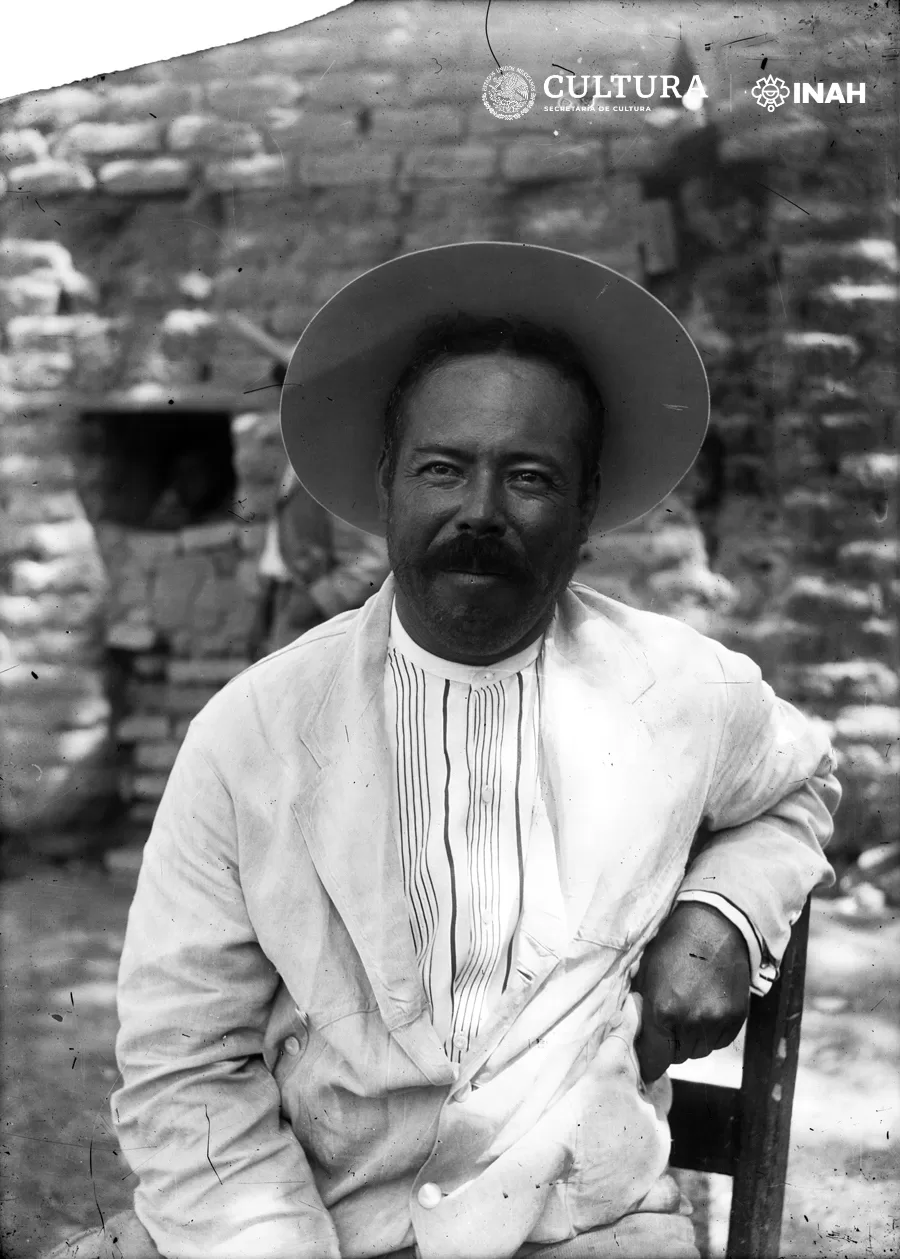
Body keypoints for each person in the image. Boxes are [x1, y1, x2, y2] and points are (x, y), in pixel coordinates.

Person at [49, 243, 840, 1259]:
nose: (480, 511)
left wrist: (726, 909)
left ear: (588, 506)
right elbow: (182, 1059)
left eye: (529, 476)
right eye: (442, 467)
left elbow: (804, 780)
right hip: (306, 1222)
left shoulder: (682, 692)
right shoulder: (252, 733)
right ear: (387, 484)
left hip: (582, 1223)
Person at [258, 461, 390, 653]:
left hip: (320, 613)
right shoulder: (291, 461)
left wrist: (323, 597)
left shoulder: (339, 467)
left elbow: (375, 558)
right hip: (285, 596)